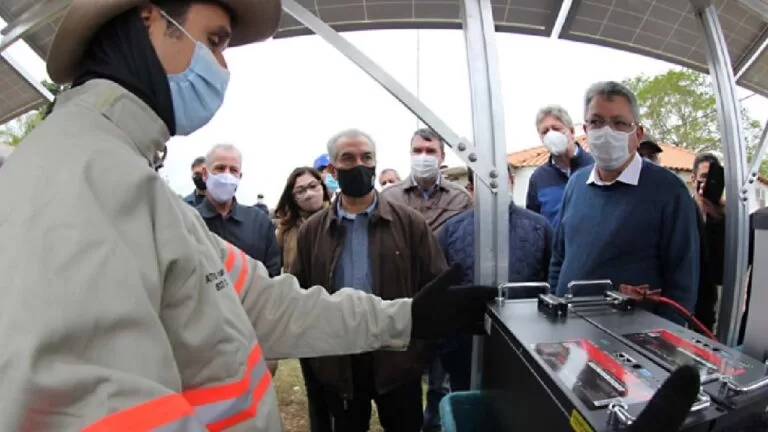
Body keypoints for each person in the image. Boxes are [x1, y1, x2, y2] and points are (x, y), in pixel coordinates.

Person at [0, 2, 496, 430]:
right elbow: (86, 405)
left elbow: (268, 304)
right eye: (215, 41)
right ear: (151, 19)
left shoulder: (139, 186)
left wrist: (405, 317)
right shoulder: (74, 171)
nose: (222, 67)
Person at [292, 129, 448, 432]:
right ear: (333, 170)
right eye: (348, 158)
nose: (359, 164)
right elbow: (301, 293)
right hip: (340, 358)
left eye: (367, 157)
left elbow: (434, 285)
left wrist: (419, 351)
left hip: (397, 359)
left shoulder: (409, 223)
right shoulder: (313, 232)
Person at [549, 81, 700, 325]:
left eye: (619, 123)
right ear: (586, 130)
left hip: (631, 343)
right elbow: (559, 258)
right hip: (570, 334)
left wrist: (661, 342)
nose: (607, 132)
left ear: (638, 134)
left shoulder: (668, 190)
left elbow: (683, 281)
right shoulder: (575, 184)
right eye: (597, 121)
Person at [381, 127, 472, 432]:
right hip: (400, 300)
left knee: (440, 382)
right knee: (401, 379)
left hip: (442, 303)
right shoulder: (390, 197)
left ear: (442, 157)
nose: (423, 157)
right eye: (417, 150)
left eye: (430, 151)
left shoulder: (460, 198)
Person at [438, 166, 552, 391]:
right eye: (484, 181)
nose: (494, 186)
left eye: (501, 178)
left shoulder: (539, 227)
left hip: (526, 338)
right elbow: (442, 287)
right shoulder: (451, 231)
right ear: (471, 189)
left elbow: (552, 279)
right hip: (465, 343)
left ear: (511, 181)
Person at [275, 166, 334, 432]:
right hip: (304, 317)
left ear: (323, 187)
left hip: (337, 313)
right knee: (316, 388)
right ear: (292, 196)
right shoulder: (285, 232)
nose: (309, 193)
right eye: (301, 190)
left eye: (313, 186)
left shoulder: (339, 220)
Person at [196, 143, 282, 278]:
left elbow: (272, 272)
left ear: (239, 176)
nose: (227, 175)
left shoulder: (259, 222)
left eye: (233, 170)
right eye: (220, 168)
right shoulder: (190, 221)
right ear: (205, 174)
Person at [526, 104, 594, 227]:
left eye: (556, 128)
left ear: (572, 131)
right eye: (545, 132)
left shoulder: (596, 168)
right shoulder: (538, 178)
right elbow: (533, 226)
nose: (551, 135)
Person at [692, 152, 725, 330]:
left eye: (712, 179)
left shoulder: (726, 217)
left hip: (709, 301)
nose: (706, 184)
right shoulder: (683, 209)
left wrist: (717, 219)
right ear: (693, 178)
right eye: (703, 177)